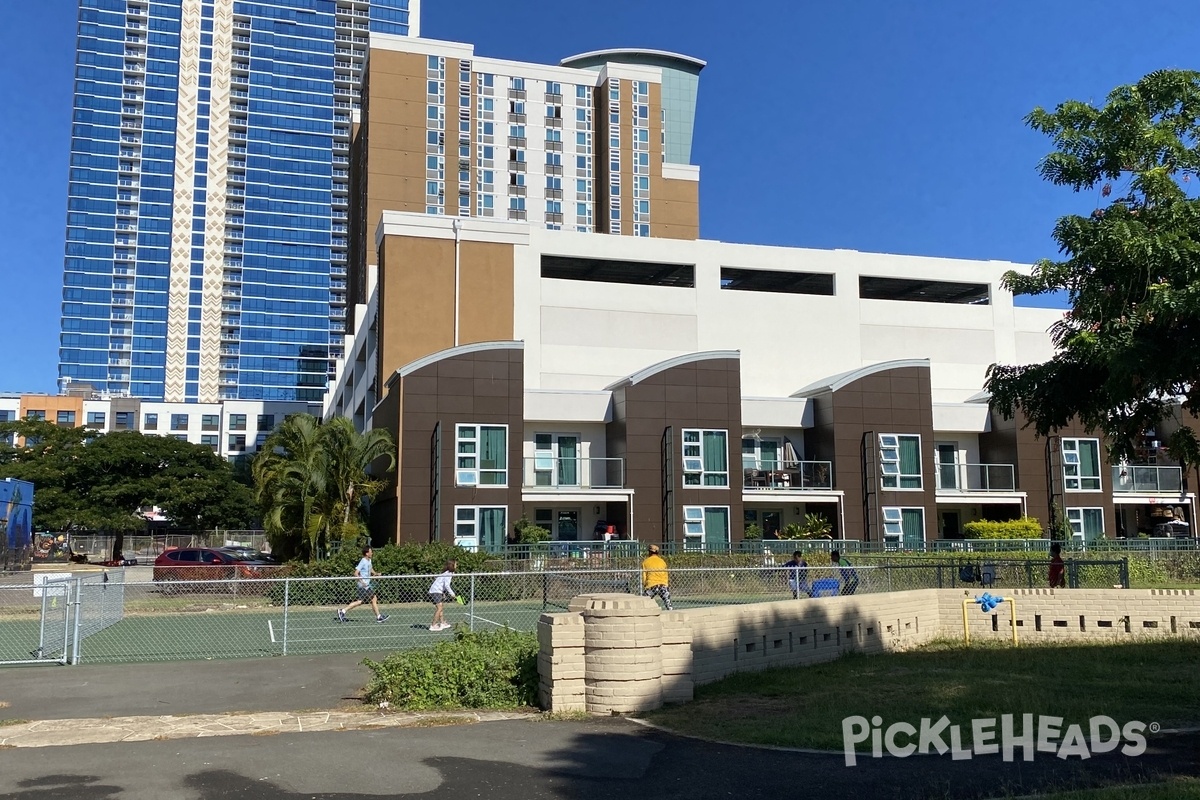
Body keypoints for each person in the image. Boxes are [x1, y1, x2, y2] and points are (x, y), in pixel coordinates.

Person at [337, 547, 389, 623]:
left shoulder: (369, 560)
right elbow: (355, 573)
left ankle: (342, 611)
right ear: (367, 553)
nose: (372, 553)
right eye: (371, 552)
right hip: (363, 585)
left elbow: (370, 569)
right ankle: (379, 617)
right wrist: (362, 582)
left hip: (366, 584)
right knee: (374, 598)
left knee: (360, 601)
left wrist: (376, 573)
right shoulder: (363, 561)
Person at [428, 560, 458, 631]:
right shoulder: (449, 573)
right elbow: (447, 585)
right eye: (456, 564)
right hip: (435, 591)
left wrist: (443, 592)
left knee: (441, 607)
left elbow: (442, 584)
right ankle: (433, 625)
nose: (457, 565)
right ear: (452, 565)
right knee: (439, 608)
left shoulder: (448, 573)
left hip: (437, 591)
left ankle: (442, 623)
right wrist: (452, 594)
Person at [641, 544, 673, 610]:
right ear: (657, 553)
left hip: (652, 585)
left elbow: (644, 576)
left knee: (643, 602)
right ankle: (671, 612)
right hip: (663, 585)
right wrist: (666, 584)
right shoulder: (662, 562)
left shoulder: (645, 562)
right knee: (668, 604)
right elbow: (666, 574)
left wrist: (645, 584)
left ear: (649, 552)